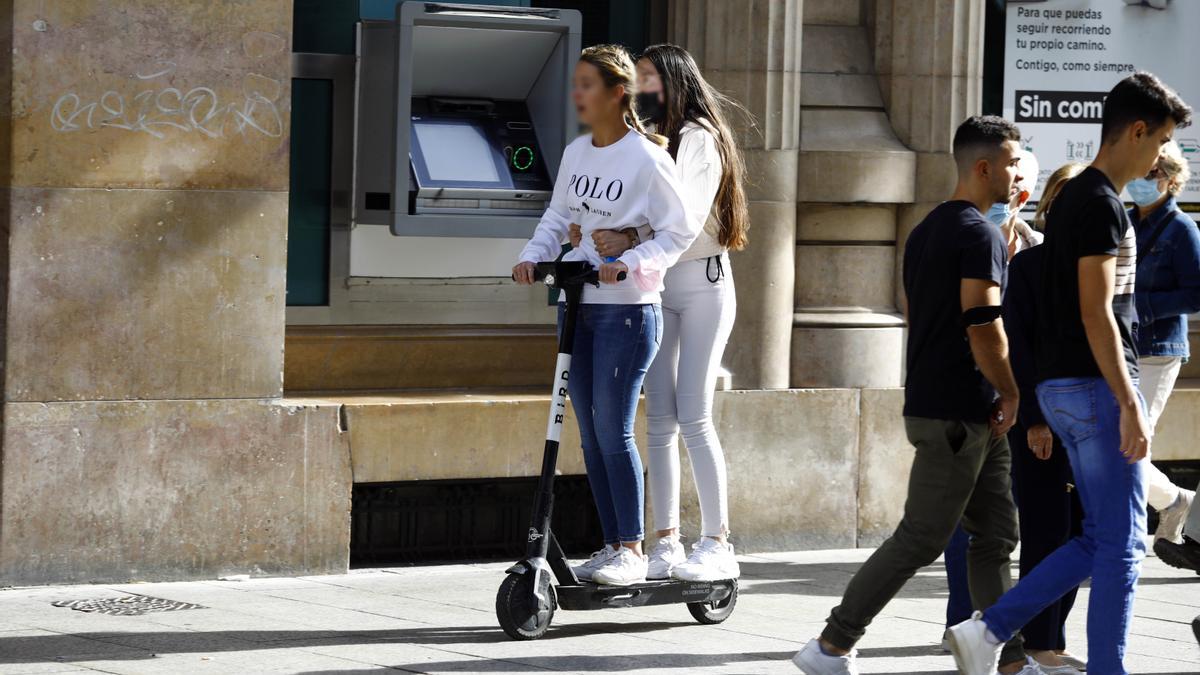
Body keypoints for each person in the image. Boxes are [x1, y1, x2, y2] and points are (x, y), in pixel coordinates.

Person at [947, 71, 1193, 675]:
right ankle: (1085, 660)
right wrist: (1130, 402)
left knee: (1109, 537)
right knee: (1123, 545)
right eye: (1160, 140)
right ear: (1136, 131)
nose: (1162, 155)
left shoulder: (1077, 196)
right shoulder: (1104, 203)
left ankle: (992, 627)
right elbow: (1097, 312)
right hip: (1096, 388)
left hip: (1064, 389)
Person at [794, 115, 1030, 675]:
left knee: (997, 534)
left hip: (964, 408)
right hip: (960, 411)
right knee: (923, 536)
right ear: (984, 166)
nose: (1018, 172)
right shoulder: (978, 235)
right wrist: (1012, 390)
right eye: (1014, 162)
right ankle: (830, 645)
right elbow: (981, 324)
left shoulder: (927, 230)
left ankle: (1009, 660)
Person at [512, 44, 700, 587]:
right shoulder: (577, 153)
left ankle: (632, 549)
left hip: (627, 312)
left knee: (613, 429)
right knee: (590, 434)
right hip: (577, 305)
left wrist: (631, 262)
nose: (578, 94)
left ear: (619, 93)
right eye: (575, 83)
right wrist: (532, 255)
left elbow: (679, 229)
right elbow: (558, 214)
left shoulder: (647, 158)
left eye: (588, 84)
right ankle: (614, 543)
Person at [568, 44, 750, 582]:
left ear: (671, 80)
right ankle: (664, 541)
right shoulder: (652, 143)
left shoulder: (698, 138)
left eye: (647, 77)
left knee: (693, 413)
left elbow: (686, 218)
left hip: (702, 284)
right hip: (654, 283)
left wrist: (628, 235)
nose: (640, 88)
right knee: (660, 419)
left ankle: (717, 541)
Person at [940, 149, 1043, 644]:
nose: (1004, 199)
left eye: (1016, 190)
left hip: (1030, 403)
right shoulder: (957, 244)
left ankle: (1005, 627)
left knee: (1015, 521)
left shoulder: (1039, 254)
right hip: (972, 400)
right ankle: (965, 622)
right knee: (968, 518)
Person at [1003, 162, 1089, 674]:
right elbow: (1020, 350)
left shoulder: (1098, 266)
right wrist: (1034, 417)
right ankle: (1037, 641)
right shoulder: (1030, 269)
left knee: (1079, 532)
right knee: (1044, 530)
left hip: (1090, 422)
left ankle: (1050, 638)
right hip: (1042, 422)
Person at [1126, 140, 1198, 550]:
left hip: (1158, 349)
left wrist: (1142, 307)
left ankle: (1132, 534)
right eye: (1139, 172)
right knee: (1119, 442)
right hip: (1122, 347)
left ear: (1170, 181)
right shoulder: (1126, 222)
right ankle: (1174, 500)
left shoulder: (1182, 229)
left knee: (1133, 444)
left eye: (1151, 174)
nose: (1140, 180)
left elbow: (1197, 293)